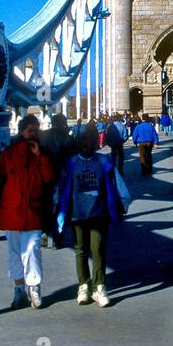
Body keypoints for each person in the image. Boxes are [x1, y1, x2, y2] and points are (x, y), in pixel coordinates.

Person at [0, 114, 56, 309]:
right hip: (12, 211)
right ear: (21, 132)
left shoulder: (44, 154)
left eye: (36, 130)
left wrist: (39, 157)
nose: (34, 134)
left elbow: (50, 179)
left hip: (33, 211)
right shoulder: (8, 154)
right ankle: (19, 289)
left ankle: (34, 288)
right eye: (30, 130)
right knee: (15, 253)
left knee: (32, 251)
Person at [58, 125, 126, 307]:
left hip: (99, 213)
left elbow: (116, 186)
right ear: (80, 145)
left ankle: (99, 286)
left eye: (91, 143)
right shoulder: (71, 163)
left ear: (96, 144)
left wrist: (118, 207)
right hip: (77, 214)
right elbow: (63, 188)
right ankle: (83, 285)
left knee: (98, 250)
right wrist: (60, 212)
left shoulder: (104, 162)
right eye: (84, 143)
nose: (87, 146)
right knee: (81, 250)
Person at [38, 113, 76, 247]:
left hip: (42, 176)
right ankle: (56, 236)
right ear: (63, 124)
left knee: (44, 204)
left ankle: (44, 230)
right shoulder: (68, 139)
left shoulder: (41, 136)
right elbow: (72, 160)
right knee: (60, 206)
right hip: (60, 176)